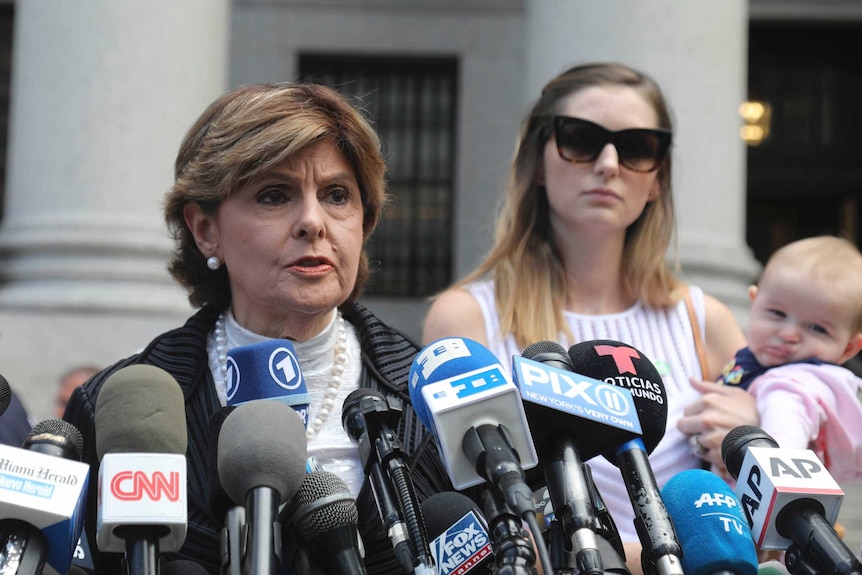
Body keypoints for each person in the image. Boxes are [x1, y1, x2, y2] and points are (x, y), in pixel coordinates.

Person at [64, 82, 452, 575]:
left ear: (364, 221)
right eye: (274, 195)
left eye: (337, 195)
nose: (313, 222)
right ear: (206, 230)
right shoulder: (111, 411)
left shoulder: (437, 400)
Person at [421, 62, 758, 572]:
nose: (608, 163)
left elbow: (755, 520)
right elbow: (478, 518)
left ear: (657, 179)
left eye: (637, 147)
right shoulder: (467, 317)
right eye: (580, 140)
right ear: (537, 162)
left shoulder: (703, 320)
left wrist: (746, 443)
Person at [717, 235, 862, 482]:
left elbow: (785, 430)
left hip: (758, 511)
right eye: (777, 313)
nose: (788, 334)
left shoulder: (794, 384)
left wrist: (777, 473)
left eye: (817, 328)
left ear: (848, 348)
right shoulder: (754, 359)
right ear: (754, 302)